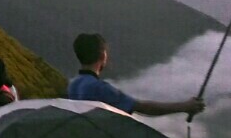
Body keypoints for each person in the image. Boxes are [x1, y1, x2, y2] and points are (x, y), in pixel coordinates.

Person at [68, 33, 206, 116]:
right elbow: (143, 108)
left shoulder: (73, 85)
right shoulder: (100, 88)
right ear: (102, 55)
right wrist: (184, 107)